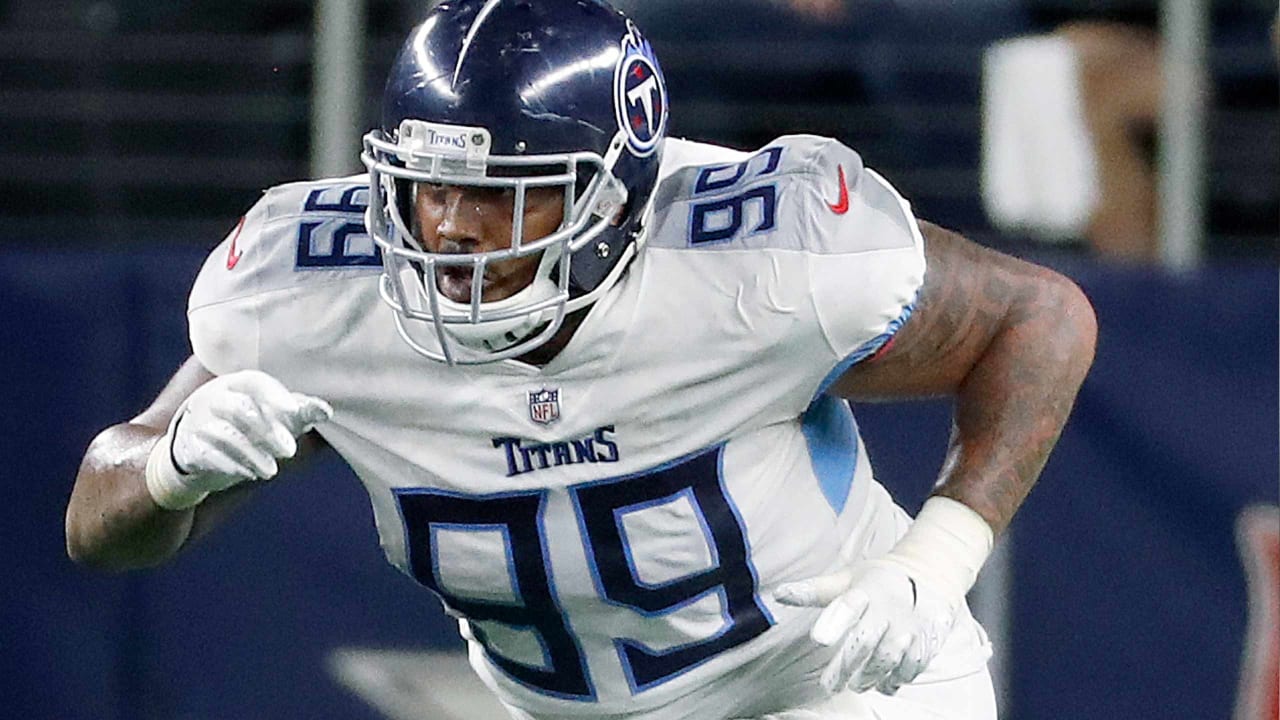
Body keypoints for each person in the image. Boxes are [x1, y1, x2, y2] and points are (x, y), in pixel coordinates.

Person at [65, 1, 1097, 718]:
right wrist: (169, 464)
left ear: (613, 195)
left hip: (834, 686)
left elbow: (1039, 319)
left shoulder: (758, 265)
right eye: (427, 187)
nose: (454, 231)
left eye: (506, 192)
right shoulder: (312, 296)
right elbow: (99, 530)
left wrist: (933, 561)